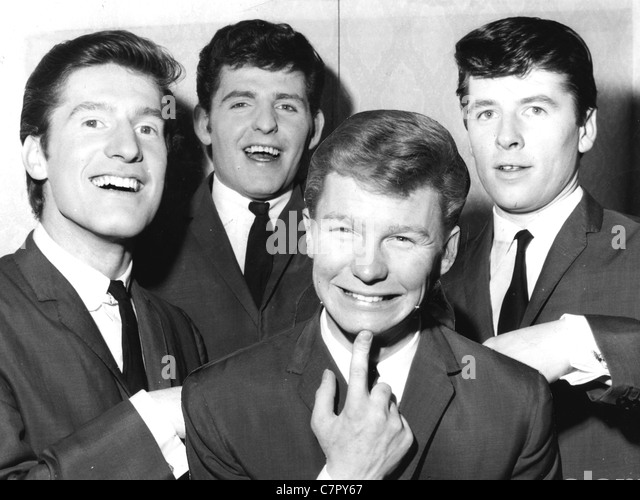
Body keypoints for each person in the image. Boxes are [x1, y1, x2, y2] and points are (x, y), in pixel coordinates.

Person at [182, 110, 561, 480]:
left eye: (401, 238)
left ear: (447, 253)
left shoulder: (516, 404)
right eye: (344, 231)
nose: (367, 270)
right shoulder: (219, 403)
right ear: (309, 235)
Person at [0, 30, 207, 480]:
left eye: (148, 127)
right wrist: (156, 419)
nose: (129, 148)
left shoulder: (179, 330)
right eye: (93, 122)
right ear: (37, 156)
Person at [442, 16, 640, 480]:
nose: (506, 136)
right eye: (486, 111)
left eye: (534, 109)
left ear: (586, 128)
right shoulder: (436, 270)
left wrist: (575, 342)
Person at [136, 19, 325, 360]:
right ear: (204, 124)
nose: (266, 123)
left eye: (286, 106)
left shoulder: (347, 235)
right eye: (241, 103)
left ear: (314, 130)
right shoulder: (147, 240)